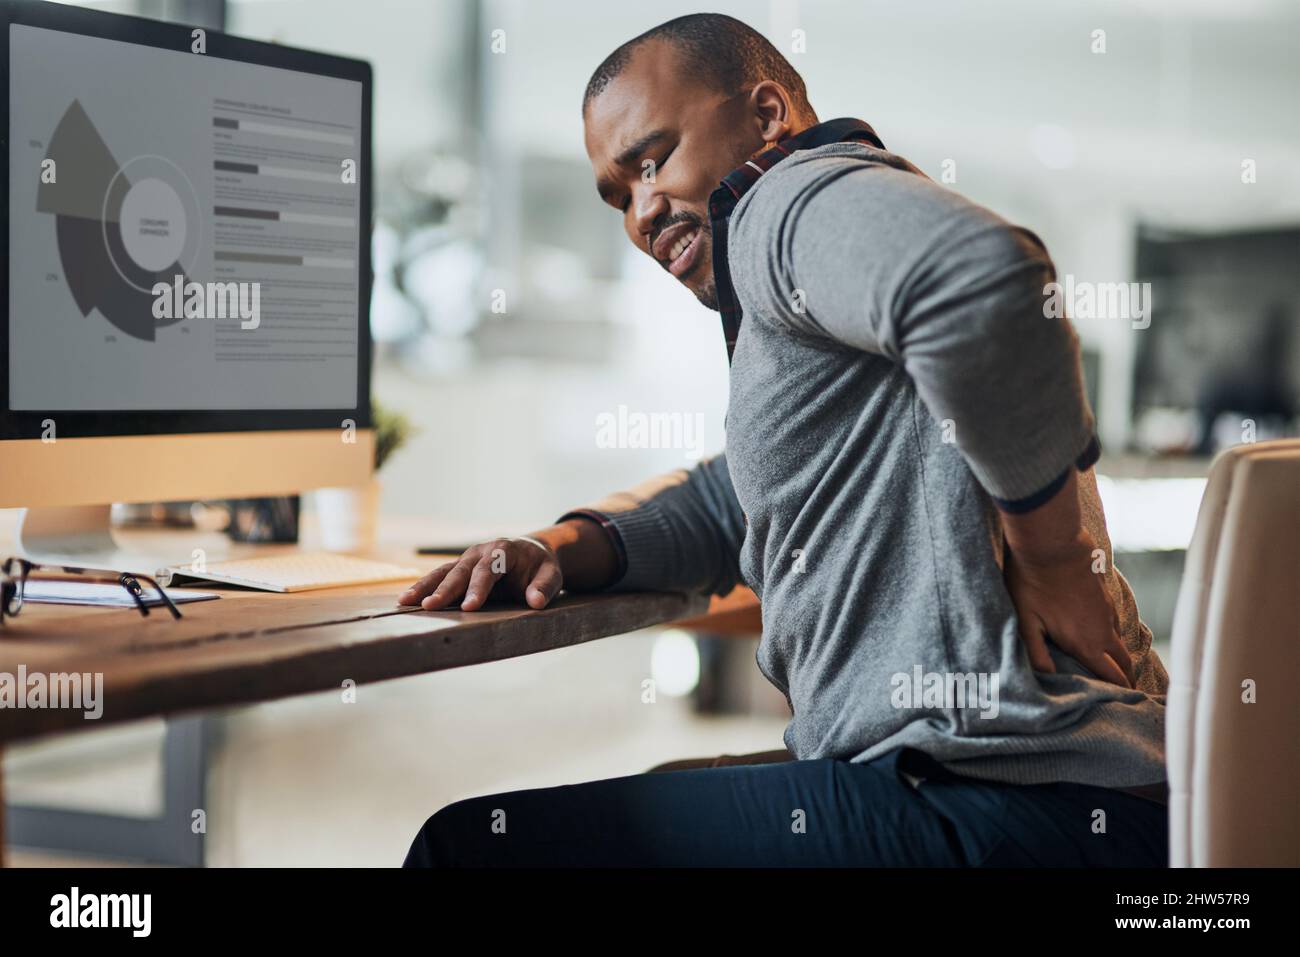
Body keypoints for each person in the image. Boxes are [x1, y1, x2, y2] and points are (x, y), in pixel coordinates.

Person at [399, 13, 1169, 867]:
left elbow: (989, 282)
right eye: (617, 196)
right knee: (667, 789)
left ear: (767, 117)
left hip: (1013, 797)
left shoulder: (777, 205)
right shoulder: (804, 287)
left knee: (470, 852)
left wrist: (1056, 558)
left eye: (653, 161)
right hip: (1061, 794)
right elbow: (748, 494)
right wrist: (563, 546)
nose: (642, 210)